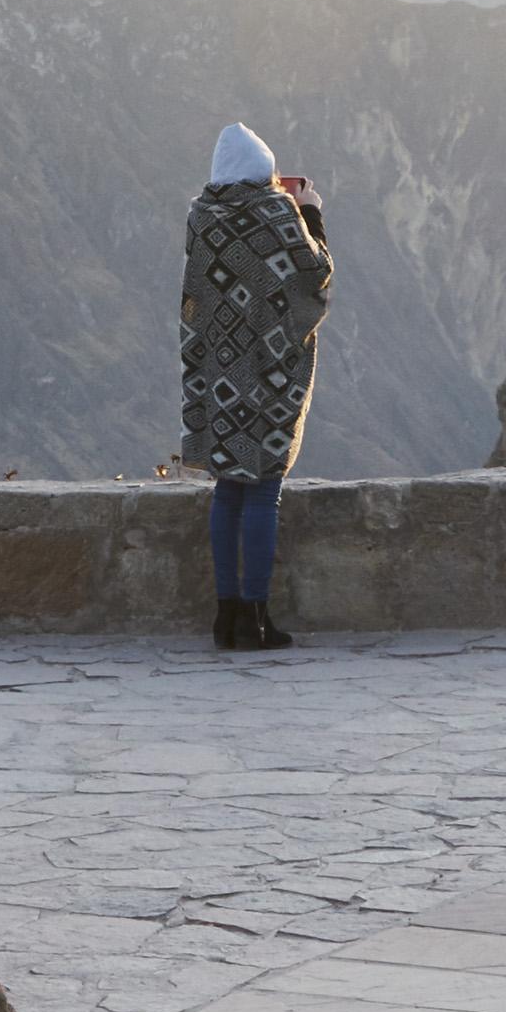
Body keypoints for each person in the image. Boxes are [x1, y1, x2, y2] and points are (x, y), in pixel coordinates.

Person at [178, 121, 332, 652]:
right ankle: (258, 619)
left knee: (227, 488)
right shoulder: (277, 212)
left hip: (219, 374)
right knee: (264, 488)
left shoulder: (202, 214)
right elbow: (315, 275)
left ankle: (226, 617)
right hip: (268, 370)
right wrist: (309, 209)